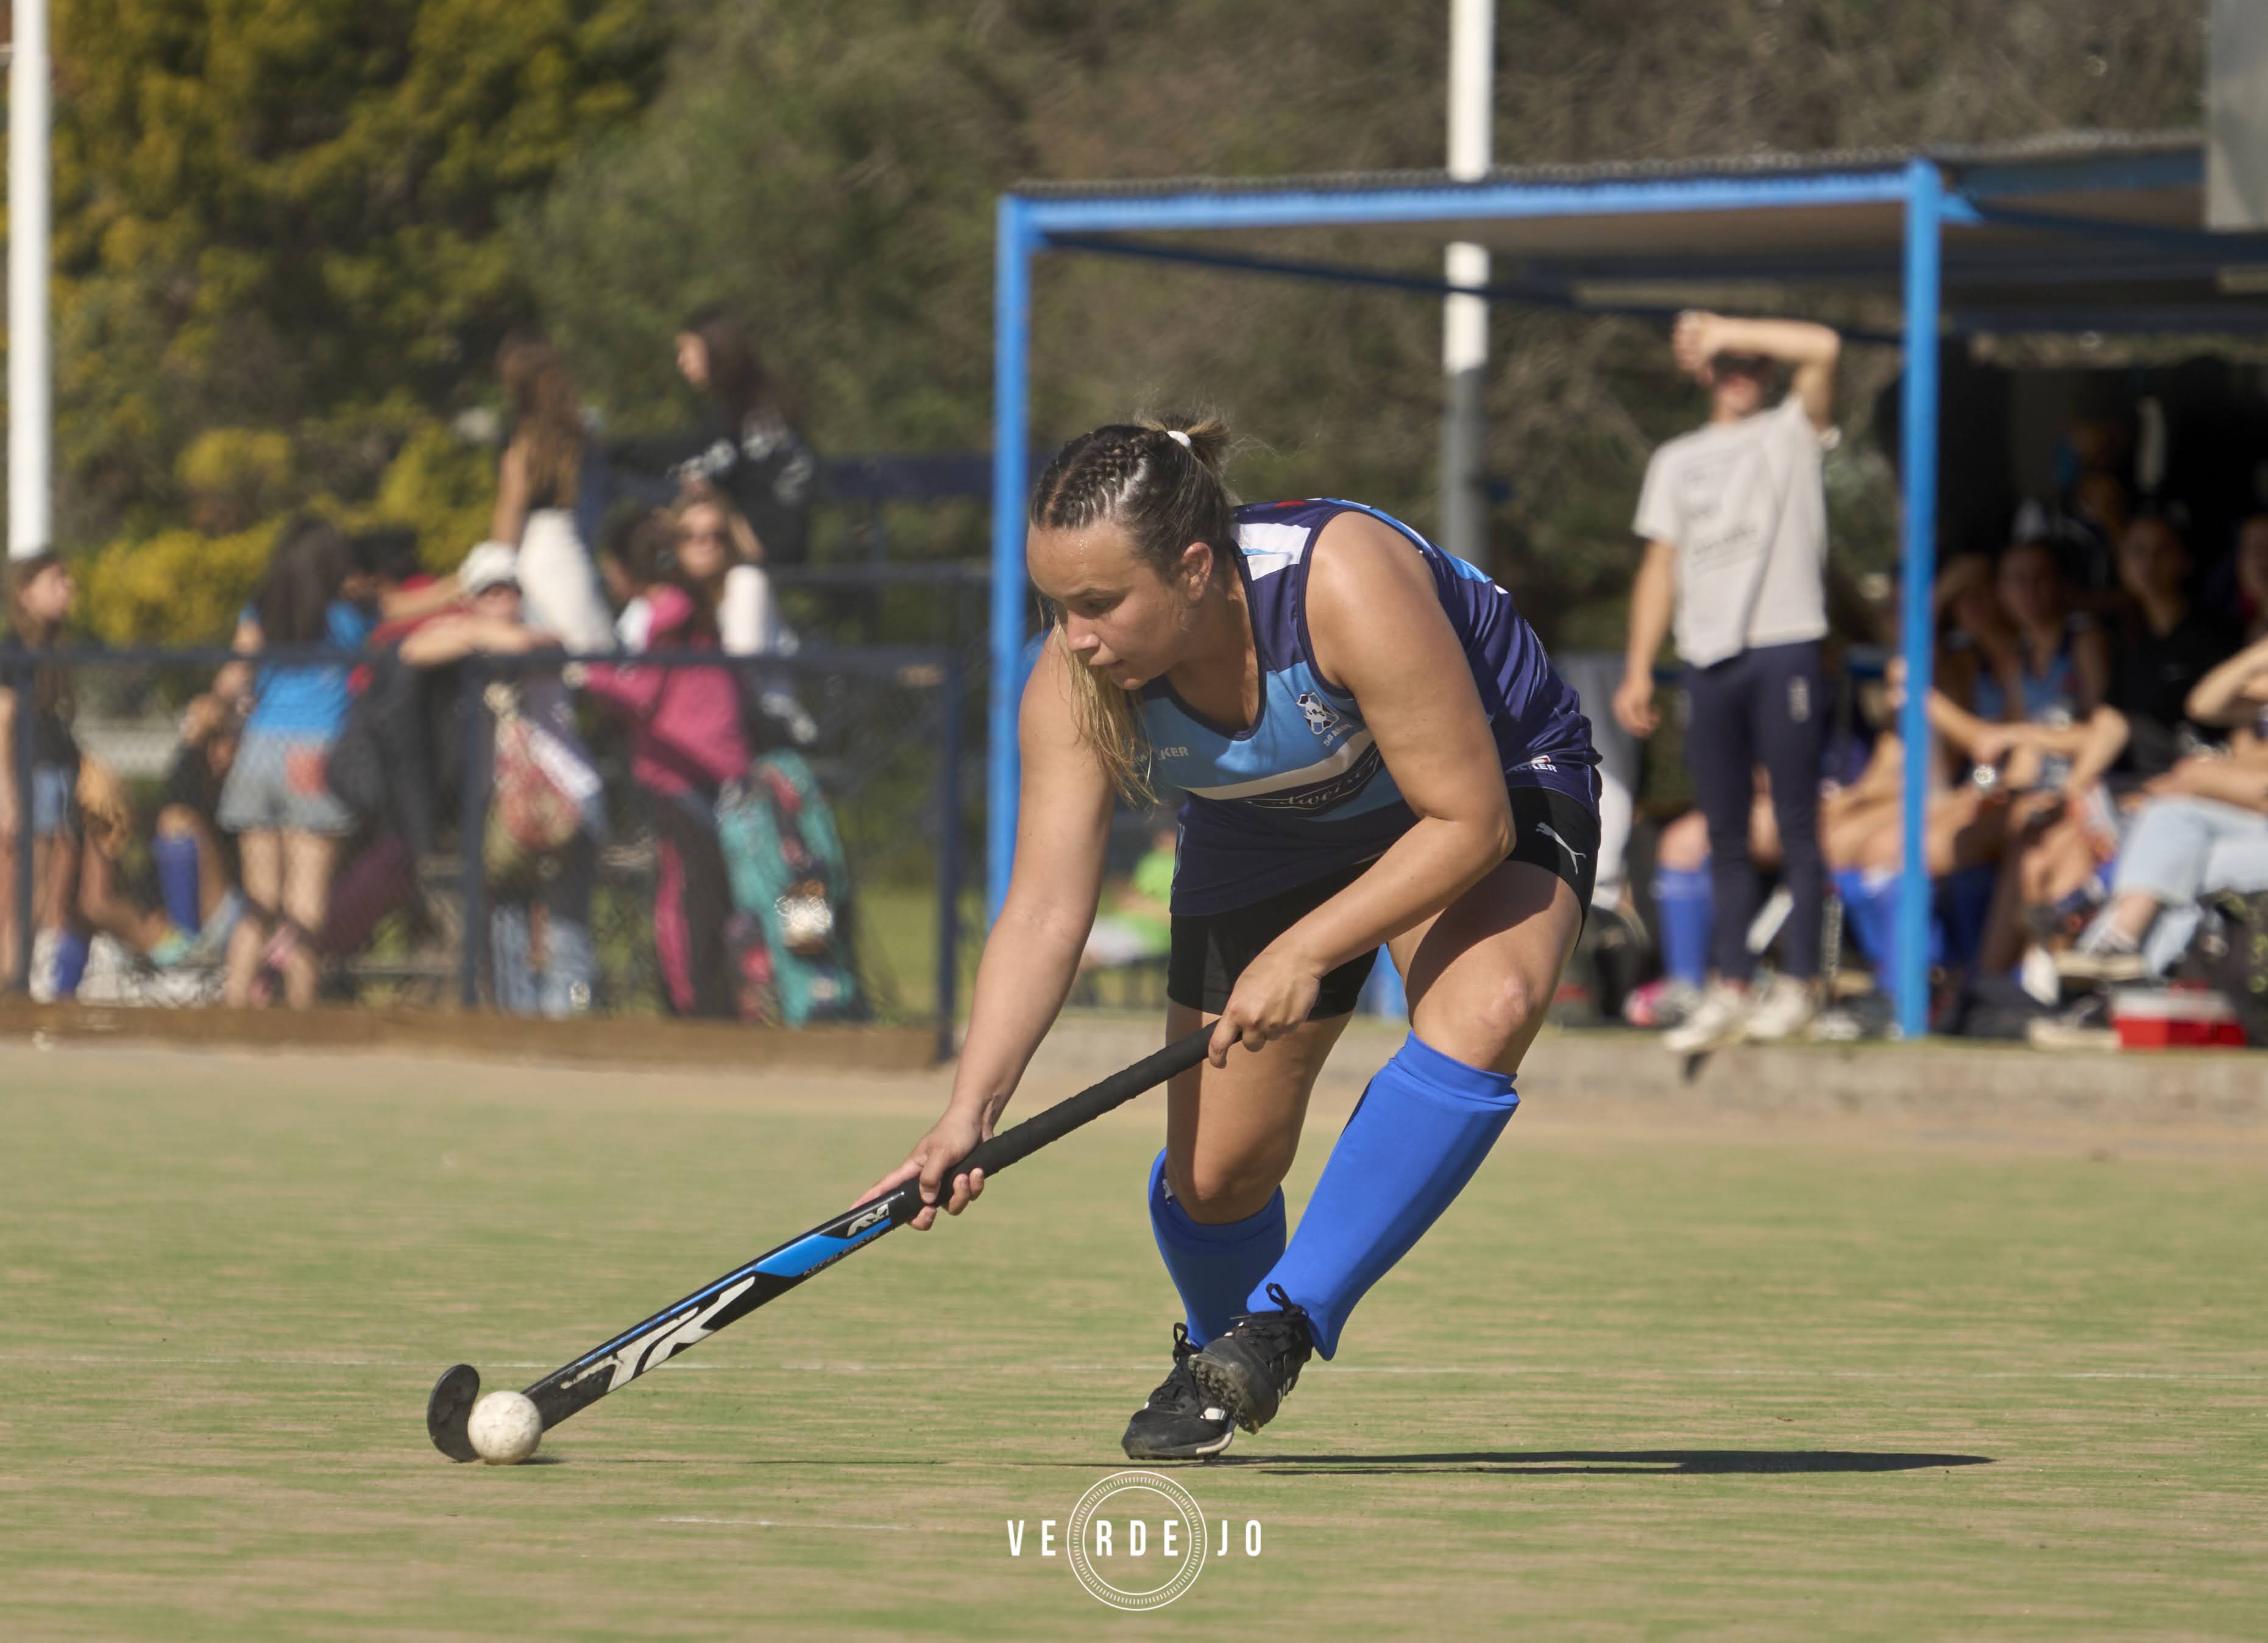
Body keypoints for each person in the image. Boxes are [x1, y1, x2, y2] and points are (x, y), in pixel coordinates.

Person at [856, 415, 1601, 1461]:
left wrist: (1305, 950)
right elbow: (1043, 909)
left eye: (1100, 603)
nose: (1074, 636)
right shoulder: (1070, 679)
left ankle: (1281, 1326)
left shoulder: (1339, 582)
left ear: (1195, 568)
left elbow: (1465, 823)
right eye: (1056, 605)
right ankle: (1217, 1355)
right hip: (1261, 827)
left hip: (1481, 779)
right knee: (1215, 1179)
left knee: (1488, 1006)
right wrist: (966, 1111)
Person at [1614, 310, 1841, 1053]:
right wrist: (1640, 665)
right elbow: (1659, 565)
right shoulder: (1676, 459)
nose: (1739, 374)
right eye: (1724, 364)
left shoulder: (1788, 433)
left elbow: (1823, 347)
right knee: (1723, 831)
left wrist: (1722, 330)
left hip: (1783, 643)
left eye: (1750, 363)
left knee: (1799, 826)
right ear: (1703, 374)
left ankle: (1801, 985)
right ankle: (1731, 985)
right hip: (1706, 657)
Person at [399, 544, 603, 1016]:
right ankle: (523, 1034)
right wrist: (473, 632)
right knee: (508, 932)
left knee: (566, 933)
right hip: (501, 817)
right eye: (486, 593)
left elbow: (534, 646)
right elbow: (412, 649)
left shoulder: (542, 637)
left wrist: (476, 631)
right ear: (470, 600)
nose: (499, 602)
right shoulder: (468, 648)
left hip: (567, 803)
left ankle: (572, 1027)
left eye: (507, 590)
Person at [579, 512, 752, 1019]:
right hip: (712, 763)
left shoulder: (669, 611)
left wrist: (587, 670)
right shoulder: (690, 607)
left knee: (691, 892)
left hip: (685, 769)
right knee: (712, 888)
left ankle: (696, 1002)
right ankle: (712, 997)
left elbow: (642, 692)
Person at [214, 518, 372, 1008]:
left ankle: (235, 1008)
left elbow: (232, 679)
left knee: (258, 901)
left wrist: (222, 717)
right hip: (313, 759)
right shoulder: (348, 618)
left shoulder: (261, 609)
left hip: (259, 753)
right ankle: (301, 1019)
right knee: (306, 906)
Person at [612, 309, 818, 567]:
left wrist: (615, 454)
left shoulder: (743, 413)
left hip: (763, 541)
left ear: (716, 351)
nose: (681, 362)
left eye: (688, 351)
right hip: (775, 537)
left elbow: (700, 465)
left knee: (650, 531)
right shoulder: (757, 402)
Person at [490, 337, 616, 654]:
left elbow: (511, 509)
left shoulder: (523, 445)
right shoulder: (582, 439)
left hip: (537, 554)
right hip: (575, 549)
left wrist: (495, 568)